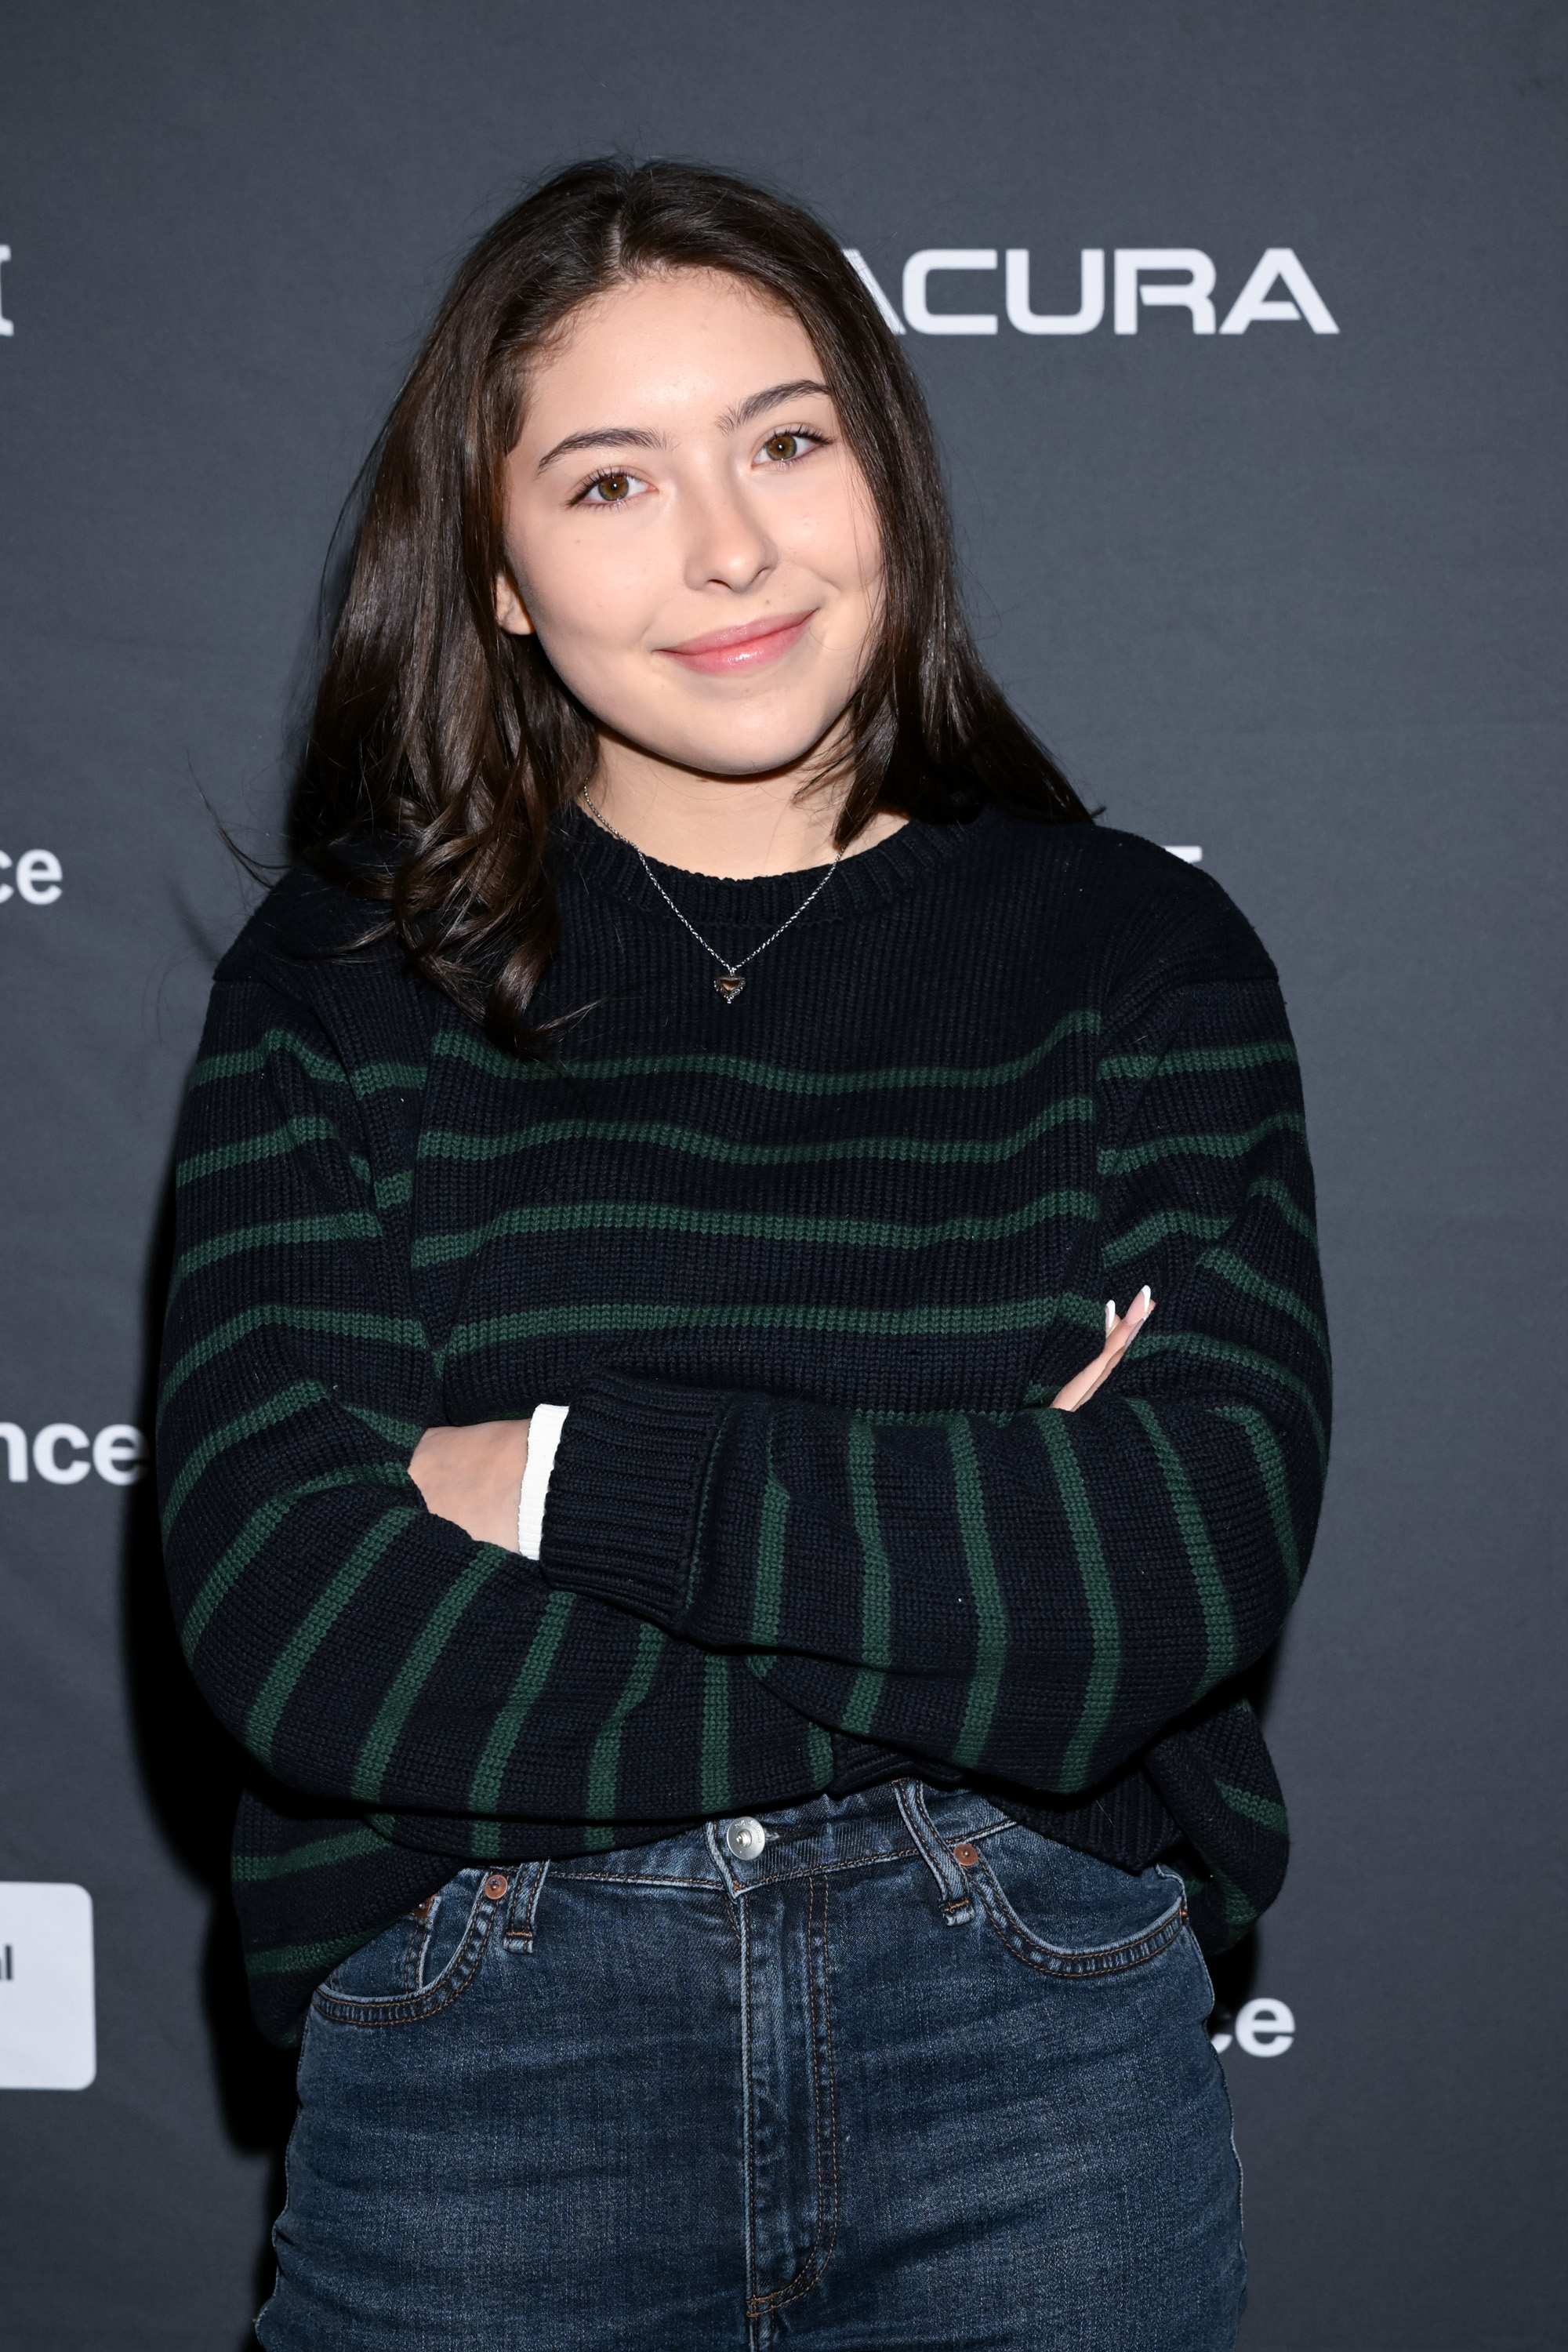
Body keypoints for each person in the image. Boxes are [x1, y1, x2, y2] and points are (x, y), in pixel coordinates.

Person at [158, 158, 1329, 2352]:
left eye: (787, 441)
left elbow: (1159, 1574)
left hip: (1035, 2051)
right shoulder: (343, 980)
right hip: (483, 2062)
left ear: (883, 465)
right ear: (497, 577)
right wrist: (955, 1540)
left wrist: (540, 1479)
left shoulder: (1138, 958)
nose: (729, 548)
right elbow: (293, 1615)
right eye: (610, 481)